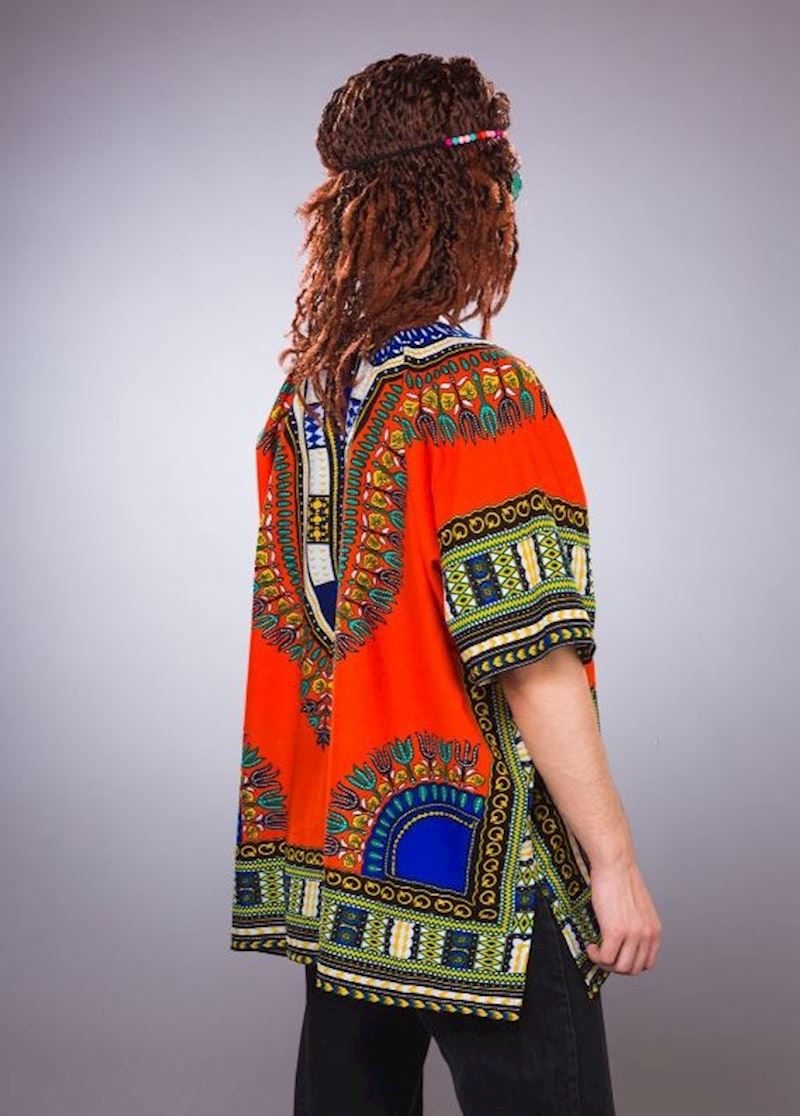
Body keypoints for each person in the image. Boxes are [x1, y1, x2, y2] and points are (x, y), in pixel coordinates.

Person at [230, 52, 662, 1116]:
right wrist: (613, 862)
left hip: (350, 878)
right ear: (468, 202)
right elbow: (532, 660)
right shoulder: (478, 396)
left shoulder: (305, 402)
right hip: (488, 879)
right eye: (503, 183)